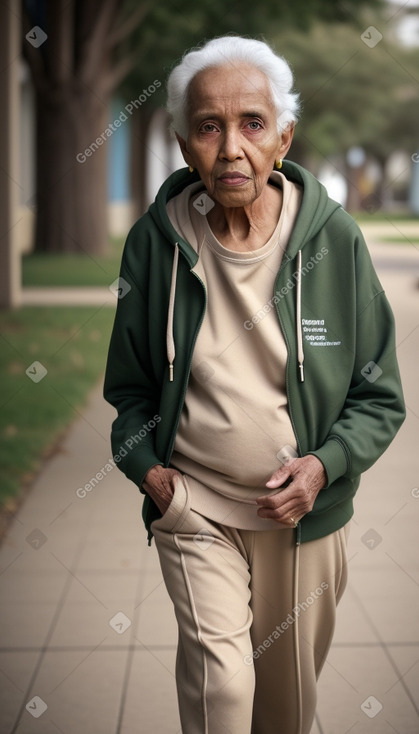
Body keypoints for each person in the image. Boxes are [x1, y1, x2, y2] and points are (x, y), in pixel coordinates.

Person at [104, 35, 405, 734]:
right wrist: (149, 472)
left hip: (302, 517)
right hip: (195, 507)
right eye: (208, 127)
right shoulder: (155, 243)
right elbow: (129, 392)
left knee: (284, 710)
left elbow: (379, 395)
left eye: (251, 124)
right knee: (223, 691)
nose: (230, 147)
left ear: (283, 138)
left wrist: (324, 468)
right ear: (183, 143)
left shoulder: (336, 241)